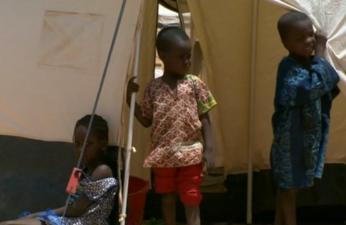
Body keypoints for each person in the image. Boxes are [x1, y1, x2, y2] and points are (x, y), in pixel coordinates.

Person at [127, 26, 217, 225]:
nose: (187, 61)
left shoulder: (195, 84)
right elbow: (146, 120)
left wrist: (210, 149)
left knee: (191, 195)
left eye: (189, 56)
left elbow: (205, 117)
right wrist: (130, 101)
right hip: (163, 155)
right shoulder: (153, 88)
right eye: (181, 57)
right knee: (167, 196)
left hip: (191, 153)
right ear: (164, 57)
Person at [270, 11, 340, 225]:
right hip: (289, 142)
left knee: (289, 188)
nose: (309, 41)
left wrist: (317, 58)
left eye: (311, 35)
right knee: (288, 189)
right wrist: (320, 51)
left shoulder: (309, 64)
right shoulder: (288, 67)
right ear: (285, 43)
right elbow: (312, 87)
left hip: (303, 141)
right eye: (300, 39)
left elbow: (331, 82)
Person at [0, 114, 118, 225]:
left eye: (88, 144)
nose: (81, 149)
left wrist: (40, 214)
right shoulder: (79, 170)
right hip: (69, 220)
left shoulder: (103, 171)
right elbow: (69, 201)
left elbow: (77, 209)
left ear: (103, 144)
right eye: (77, 144)